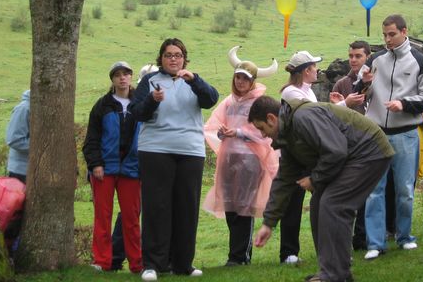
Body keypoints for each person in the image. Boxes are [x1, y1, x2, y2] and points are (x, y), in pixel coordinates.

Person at [250, 96, 394, 282]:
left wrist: (314, 179)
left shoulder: (303, 117)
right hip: (352, 156)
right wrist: (268, 224)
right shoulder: (288, 135)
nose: (263, 135)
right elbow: (284, 180)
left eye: (261, 128)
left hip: (369, 151)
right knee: (319, 203)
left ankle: (335, 275)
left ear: (271, 118)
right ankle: (331, 270)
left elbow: (336, 151)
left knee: (333, 204)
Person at [130, 38, 219, 282]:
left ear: (184, 59)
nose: (173, 59)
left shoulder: (193, 80)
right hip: (156, 149)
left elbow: (211, 99)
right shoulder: (150, 81)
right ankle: (153, 265)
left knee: (186, 208)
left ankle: (183, 264)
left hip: (190, 151)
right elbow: (136, 113)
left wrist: (195, 81)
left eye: (177, 55)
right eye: (168, 55)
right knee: (156, 207)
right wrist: (151, 100)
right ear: (161, 59)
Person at [359, 14, 423, 260]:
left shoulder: (421, 62)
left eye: (392, 34)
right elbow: (359, 93)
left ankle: (404, 237)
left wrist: (403, 104)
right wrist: (363, 84)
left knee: (405, 189)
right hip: (376, 134)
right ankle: (375, 243)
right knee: (374, 190)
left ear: (404, 32)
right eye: (384, 35)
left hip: (406, 134)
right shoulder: (374, 59)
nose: (387, 39)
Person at [203, 47, 279, 266]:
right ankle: (234, 255)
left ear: (253, 80)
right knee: (230, 206)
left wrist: (237, 132)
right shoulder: (229, 101)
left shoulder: (259, 102)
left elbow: (264, 133)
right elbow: (214, 123)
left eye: (245, 78)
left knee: (244, 207)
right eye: (237, 77)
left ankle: (241, 256)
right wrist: (221, 132)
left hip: (250, 161)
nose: (240, 82)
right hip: (229, 160)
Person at [83, 61, 143, 274]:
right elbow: (92, 138)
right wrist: (95, 164)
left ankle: (137, 264)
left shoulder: (140, 104)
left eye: (125, 74)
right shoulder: (102, 105)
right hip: (104, 170)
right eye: (117, 75)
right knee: (103, 217)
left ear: (131, 77)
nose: (122, 78)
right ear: (112, 79)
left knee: (131, 219)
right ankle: (102, 262)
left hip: (132, 170)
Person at [274, 49, 323, 264]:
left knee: (322, 201)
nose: (317, 70)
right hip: (295, 155)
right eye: (314, 67)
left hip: (310, 152)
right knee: (293, 203)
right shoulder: (291, 93)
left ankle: (326, 247)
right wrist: (343, 105)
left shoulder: (307, 90)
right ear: (305, 71)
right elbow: (315, 114)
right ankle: (288, 252)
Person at [111, 63, 160, 272]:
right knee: (130, 214)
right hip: (135, 166)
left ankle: (153, 259)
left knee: (154, 212)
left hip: (156, 165)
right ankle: (116, 258)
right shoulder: (135, 105)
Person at [329, 40, 370, 250]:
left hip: (373, 142)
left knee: (373, 192)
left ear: (367, 58)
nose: (353, 60)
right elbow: (334, 119)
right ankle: (351, 237)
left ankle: (367, 234)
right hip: (349, 145)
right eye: (351, 56)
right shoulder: (341, 85)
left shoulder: (376, 80)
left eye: (358, 56)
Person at [6, 90, 31, 183]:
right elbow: (14, 139)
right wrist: (41, 148)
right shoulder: (24, 108)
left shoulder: (48, 107)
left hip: (38, 170)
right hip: (21, 171)